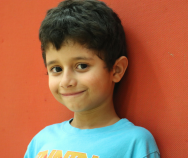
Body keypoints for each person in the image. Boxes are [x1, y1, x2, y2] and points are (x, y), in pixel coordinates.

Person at [24, 0, 160, 157]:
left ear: (116, 70)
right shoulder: (41, 141)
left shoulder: (134, 143)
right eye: (57, 69)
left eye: (81, 66)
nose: (66, 81)